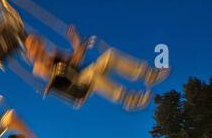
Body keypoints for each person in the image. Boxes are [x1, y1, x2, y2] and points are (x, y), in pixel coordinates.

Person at [24, 27, 164, 111]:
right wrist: (39, 57)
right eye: (33, 46)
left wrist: (77, 42)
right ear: (30, 52)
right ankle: (129, 99)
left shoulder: (54, 53)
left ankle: (148, 74)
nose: (37, 47)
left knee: (111, 55)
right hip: (74, 88)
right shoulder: (37, 67)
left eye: (37, 43)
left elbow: (76, 60)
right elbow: (48, 73)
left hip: (81, 74)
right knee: (93, 77)